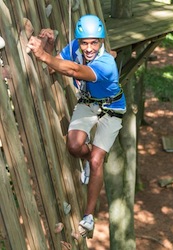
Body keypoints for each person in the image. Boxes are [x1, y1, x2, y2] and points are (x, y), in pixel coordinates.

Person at [27, 14, 126, 238]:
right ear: (79, 41)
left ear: (101, 41)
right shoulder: (75, 49)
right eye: (84, 42)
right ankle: (90, 157)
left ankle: (89, 217)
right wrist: (50, 46)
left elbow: (73, 71)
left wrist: (42, 54)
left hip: (112, 109)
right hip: (88, 104)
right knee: (73, 146)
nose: (89, 48)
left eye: (94, 42)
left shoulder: (106, 64)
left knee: (98, 160)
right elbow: (56, 68)